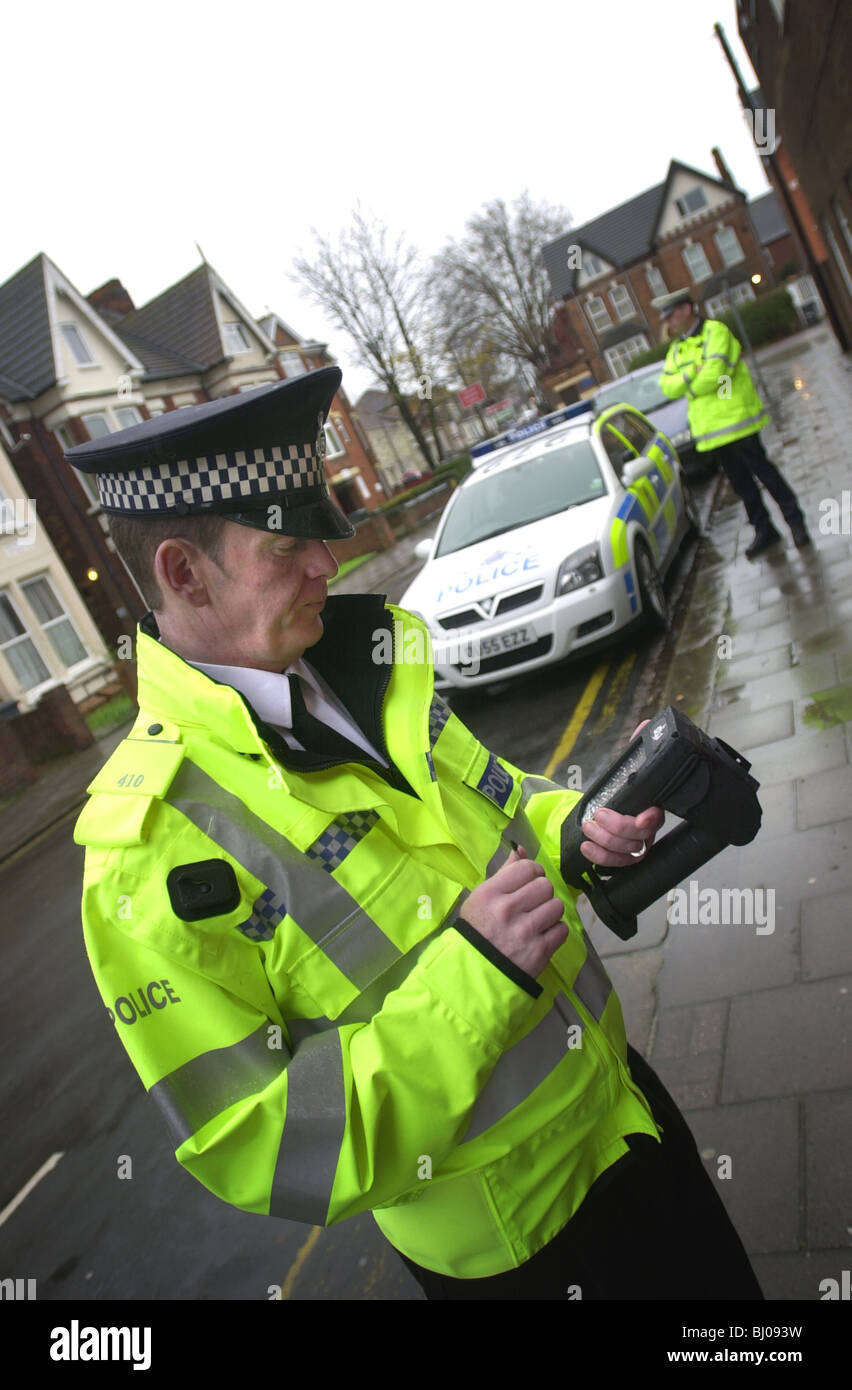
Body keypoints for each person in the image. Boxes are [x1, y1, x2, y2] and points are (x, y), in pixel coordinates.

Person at [66, 369, 763, 1299]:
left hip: (623, 1109)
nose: (328, 564)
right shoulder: (143, 849)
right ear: (184, 573)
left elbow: (504, 799)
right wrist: (476, 976)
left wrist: (577, 823)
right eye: (287, 545)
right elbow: (265, 1145)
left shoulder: (367, 669)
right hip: (522, 1243)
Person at [654, 286, 811, 560]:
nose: (668, 323)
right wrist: (694, 373)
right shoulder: (677, 350)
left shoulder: (716, 332)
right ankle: (764, 530)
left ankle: (795, 522)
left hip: (737, 419)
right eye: (665, 318)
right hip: (712, 432)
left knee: (765, 473)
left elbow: (716, 375)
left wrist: (687, 384)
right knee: (741, 485)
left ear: (687, 309)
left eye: (671, 315)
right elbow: (666, 387)